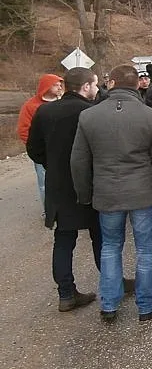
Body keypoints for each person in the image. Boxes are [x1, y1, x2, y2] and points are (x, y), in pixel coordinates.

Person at [71, 64, 152, 323]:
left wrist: (84, 194)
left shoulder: (89, 116)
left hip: (107, 193)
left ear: (112, 83)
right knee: (146, 250)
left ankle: (109, 304)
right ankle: (146, 305)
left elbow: (79, 161)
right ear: (137, 85)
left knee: (110, 247)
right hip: (142, 192)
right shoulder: (151, 116)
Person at [26, 67, 104, 312]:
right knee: (102, 237)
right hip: (90, 182)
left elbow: (33, 149)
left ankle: (66, 293)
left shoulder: (45, 111)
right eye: (95, 84)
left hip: (59, 184)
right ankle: (114, 282)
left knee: (64, 240)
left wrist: (53, 165)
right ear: (85, 87)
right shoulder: (91, 112)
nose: (97, 89)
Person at [17, 73, 64, 205]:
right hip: (43, 152)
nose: (60, 87)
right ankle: (47, 210)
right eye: (56, 85)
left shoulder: (63, 103)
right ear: (46, 86)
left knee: (64, 181)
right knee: (44, 182)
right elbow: (24, 129)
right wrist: (36, 149)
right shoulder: (31, 106)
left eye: (60, 84)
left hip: (63, 150)